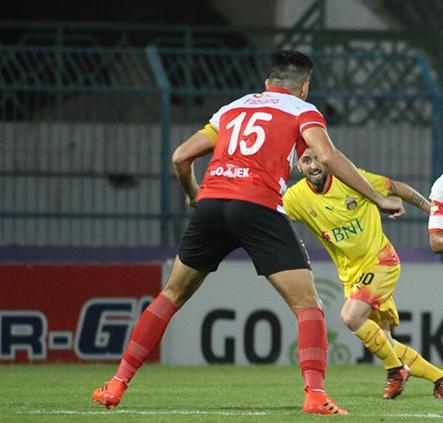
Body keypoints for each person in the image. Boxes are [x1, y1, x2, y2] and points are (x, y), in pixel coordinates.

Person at [91, 50, 406, 415]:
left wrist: (195, 195)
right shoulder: (302, 110)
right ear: (304, 87)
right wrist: (378, 199)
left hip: (212, 205)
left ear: (266, 82)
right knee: (308, 307)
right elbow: (330, 157)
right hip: (258, 207)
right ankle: (315, 395)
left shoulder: (232, 108)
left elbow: (180, 157)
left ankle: (116, 385)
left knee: (170, 296)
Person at [283, 148, 443, 400]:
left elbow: (397, 188)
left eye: (317, 158)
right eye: (306, 160)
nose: (314, 165)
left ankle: (396, 370)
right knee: (385, 342)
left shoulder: (352, 180)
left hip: (381, 262)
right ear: (298, 167)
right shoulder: (295, 198)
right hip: (351, 276)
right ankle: (442, 378)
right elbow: (267, 212)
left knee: (350, 316)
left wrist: (433, 211)